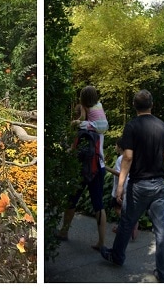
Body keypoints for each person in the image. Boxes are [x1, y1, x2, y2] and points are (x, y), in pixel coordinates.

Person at [100, 89, 164, 283]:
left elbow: (128, 157)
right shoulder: (161, 125)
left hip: (138, 184)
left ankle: (117, 256)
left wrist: (121, 185)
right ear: (152, 105)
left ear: (134, 106)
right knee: (161, 230)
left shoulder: (132, 126)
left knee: (126, 222)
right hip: (158, 183)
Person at [56, 85, 109, 251]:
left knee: (72, 200)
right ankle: (101, 241)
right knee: (98, 204)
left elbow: (73, 149)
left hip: (80, 168)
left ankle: (64, 231)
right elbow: (99, 112)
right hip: (98, 166)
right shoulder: (99, 122)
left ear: (83, 103)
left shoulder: (82, 127)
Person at [105, 139, 137, 239]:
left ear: (119, 147)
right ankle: (126, 225)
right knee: (124, 207)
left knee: (117, 207)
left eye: (115, 145)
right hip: (129, 185)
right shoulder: (132, 157)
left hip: (121, 186)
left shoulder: (120, 159)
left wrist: (107, 168)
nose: (115, 147)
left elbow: (119, 173)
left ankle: (129, 224)